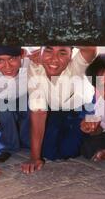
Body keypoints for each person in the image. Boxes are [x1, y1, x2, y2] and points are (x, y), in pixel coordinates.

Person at [21, 46, 97, 174]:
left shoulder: (77, 65)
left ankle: (95, 136)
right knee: (38, 146)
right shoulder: (35, 67)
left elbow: (90, 48)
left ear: (71, 54)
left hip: (80, 108)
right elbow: (39, 112)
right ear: (41, 51)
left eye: (62, 53)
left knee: (69, 150)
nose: (54, 59)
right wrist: (35, 158)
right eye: (48, 51)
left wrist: (63, 36)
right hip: (55, 109)